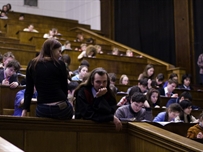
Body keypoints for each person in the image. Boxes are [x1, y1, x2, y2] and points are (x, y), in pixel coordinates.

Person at [21, 38, 73, 119]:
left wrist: (25, 109)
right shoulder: (60, 64)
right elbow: (64, 88)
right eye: (59, 51)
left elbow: (29, 90)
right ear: (52, 50)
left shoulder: (32, 64)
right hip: (61, 109)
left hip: (42, 110)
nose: (60, 54)